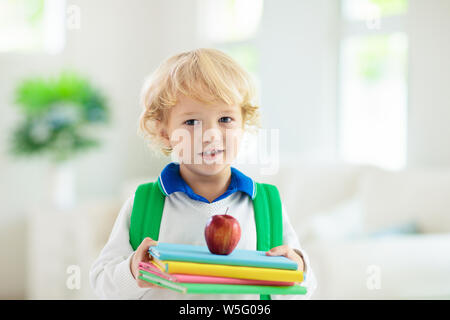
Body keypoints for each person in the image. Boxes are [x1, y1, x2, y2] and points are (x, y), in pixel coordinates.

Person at [90, 48, 317, 299]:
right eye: (192, 122)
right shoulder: (144, 204)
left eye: (225, 119)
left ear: (244, 124)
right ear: (165, 132)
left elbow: (304, 290)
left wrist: (298, 267)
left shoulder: (266, 205)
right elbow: (103, 285)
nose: (211, 135)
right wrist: (133, 270)